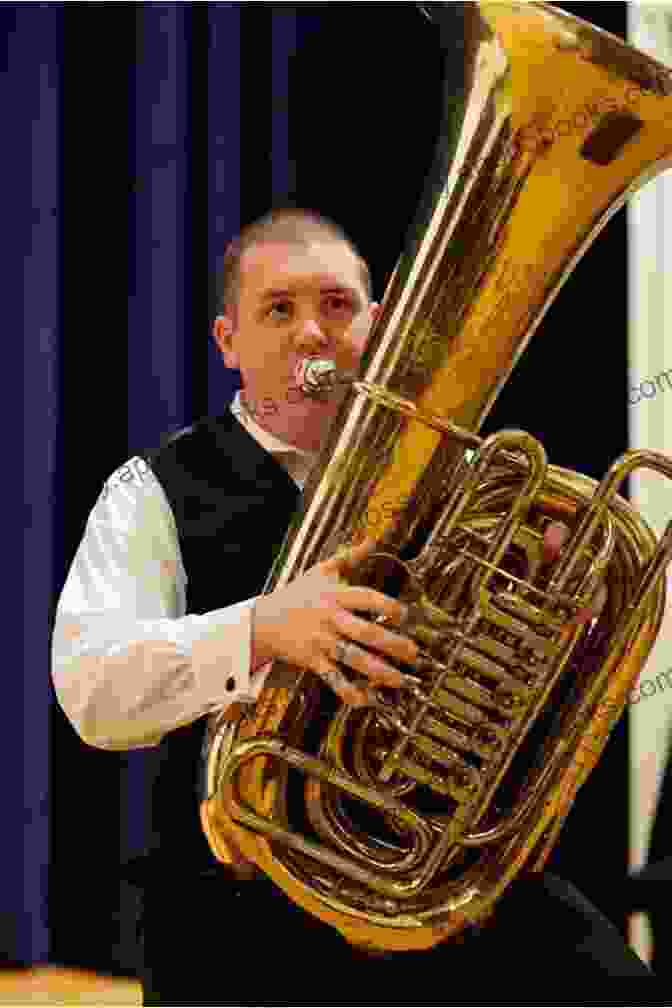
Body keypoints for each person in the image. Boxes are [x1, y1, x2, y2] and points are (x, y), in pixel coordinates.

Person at [51, 207, 657, 1003]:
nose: (311, 334)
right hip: (242, 905)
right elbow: (92, 690)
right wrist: (266, 628)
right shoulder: (152, 492)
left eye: (336, 306)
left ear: (380, 323)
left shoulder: (477, 480)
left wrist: (562, 618)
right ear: (228, 342)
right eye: (279, 310)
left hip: (447, 881)